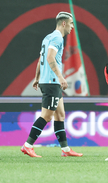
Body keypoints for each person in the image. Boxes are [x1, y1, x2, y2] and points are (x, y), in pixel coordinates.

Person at [21, 12, 83, 158]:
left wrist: (37, 77)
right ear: (63, 23)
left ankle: (65, 149)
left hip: (47, 80)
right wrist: (61, 77)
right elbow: (49, 57)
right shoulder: (57, 38)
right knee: (47, 116)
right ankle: (27, 145)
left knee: (60, 115)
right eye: (71, 23)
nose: (72, 27)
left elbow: (40, 59)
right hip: (52, 82)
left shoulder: (47, 37)